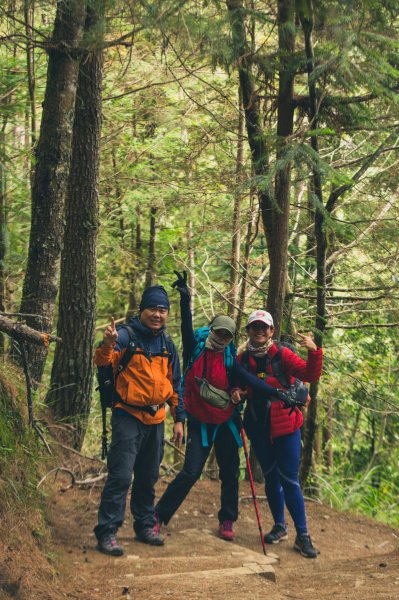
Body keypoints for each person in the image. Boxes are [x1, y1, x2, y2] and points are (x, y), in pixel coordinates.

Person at [154, 273, 289, 542]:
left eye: (227, 334)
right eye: (219, 332)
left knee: (230, 472)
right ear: (212, 330)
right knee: (191, 471)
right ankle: (158, 516)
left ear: (231, 337)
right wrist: (185, 298)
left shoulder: (233, 358)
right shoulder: (196, 347)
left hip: (227, 420)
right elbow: (186, 328)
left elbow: (245, 383)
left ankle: (227, 519)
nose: (222, 337)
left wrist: (269, 392)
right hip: (199, 421)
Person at [94, 285, 184, 556]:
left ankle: (144, 525)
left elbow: (175, 384)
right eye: (153, 309)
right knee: (121, 475)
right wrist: (108, 343)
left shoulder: (167, 344)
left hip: (157, 419)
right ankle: (107, 531)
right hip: (128, 415)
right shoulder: (125, 336)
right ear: (142, 310)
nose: (158, 314)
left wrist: (179, 418)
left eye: (162, 310)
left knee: (148, 475)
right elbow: (101, 361)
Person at [233, 309, 323, 558]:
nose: (259, 331)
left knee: (290, 480)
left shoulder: (282, 354)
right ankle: (280, 527)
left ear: (272, 331)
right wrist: (238, 392)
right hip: (259, 427)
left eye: (264, 327)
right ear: (248, 331)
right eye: (255, 327)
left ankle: (302, 536)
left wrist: (314, 351)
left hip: (286, 426)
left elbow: (310, 374)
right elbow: (238, 386)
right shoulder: (242, 360)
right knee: (271, 477)